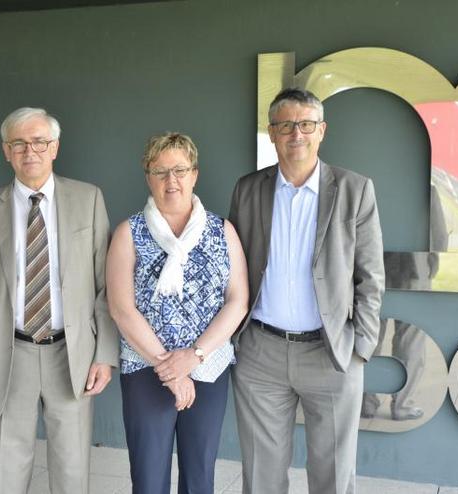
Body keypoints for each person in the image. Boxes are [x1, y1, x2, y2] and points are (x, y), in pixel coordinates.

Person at [0, 107, 118, 494]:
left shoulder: (88, 199)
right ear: (5, 151)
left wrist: (104, 354)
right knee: (7, 471)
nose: (31, 151)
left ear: (55, 147)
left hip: (71, 353)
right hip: (10, 354)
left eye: (40, 141)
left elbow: (104, 287)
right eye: (19, 143)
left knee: (72, 470)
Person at [229, 88, 385, 494]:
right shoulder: (248, 189)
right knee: (261, 474)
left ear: (322, 131)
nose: (296, 133)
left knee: (333, 474)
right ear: (272, 133)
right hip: (260, 355)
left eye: (306, 124)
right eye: (285, 125)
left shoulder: (355, 190)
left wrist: (359, 348)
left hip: (331, 353)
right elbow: (233, 267)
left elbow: (370, 277)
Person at [107, 132, 248, 494]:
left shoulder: (222, 231)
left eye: (180, 170)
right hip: (146, 369)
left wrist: (194, 356)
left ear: (195, 175)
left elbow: (237, 301)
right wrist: (168, 368)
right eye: (161, 171)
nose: (172, 180)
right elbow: (121, 309)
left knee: (200, 476)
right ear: (148, 177)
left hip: (207, 368)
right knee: (149, 477)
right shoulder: (129, 233)